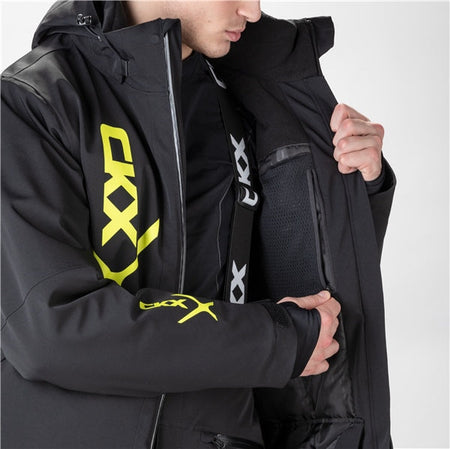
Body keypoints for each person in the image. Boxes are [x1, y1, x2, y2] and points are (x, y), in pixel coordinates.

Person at [1, 1, 394, 448]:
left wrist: (356, 187)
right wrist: (276, 342)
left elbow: (306, 288)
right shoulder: (36, 102)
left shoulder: (253, 97)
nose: (252, 10)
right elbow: (52, 330)